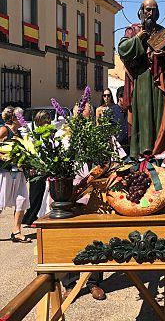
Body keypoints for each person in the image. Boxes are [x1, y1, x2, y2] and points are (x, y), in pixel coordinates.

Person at [118, 0, 165, 159]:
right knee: (144, 112)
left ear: (157, 12)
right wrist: (139, 38)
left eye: (153, 10)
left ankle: (159, 149)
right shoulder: (133, 30)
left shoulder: (161, 32)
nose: (150, 13)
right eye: (147, 9)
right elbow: (123, 49)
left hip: (159, 80)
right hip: (142, 79)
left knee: (160, 113)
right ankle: (143, 149)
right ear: (141, 11)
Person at [61, 102, 106, 301]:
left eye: (87, 110)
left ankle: (94, 282)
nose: (84, 113)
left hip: (93, 194)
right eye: (81, 110)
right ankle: (71, 284)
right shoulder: (65, 136)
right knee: (71, 238)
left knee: (95, 237)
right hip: (71, 193)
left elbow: (110, 160)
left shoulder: (98, 135)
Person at [0, 106, 31, 243]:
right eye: (20, 117)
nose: (22, 119)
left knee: (22, 200)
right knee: (0, 204)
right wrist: (3, 157)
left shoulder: (19, 133)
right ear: (13, 118)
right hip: (5, 172)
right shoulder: (4, 130)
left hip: (18, 171)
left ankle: (16, 232)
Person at [22, 110, 52, 228]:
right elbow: (29, 152)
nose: (48, 121)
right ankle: (30, 218)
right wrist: (31, 166)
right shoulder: (33, 135)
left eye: (49, 118)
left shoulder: (49, 133)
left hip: (46, 166)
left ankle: (37, 216)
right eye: (46, 119)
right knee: (35, 194)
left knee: (43, 194)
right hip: (36, 168)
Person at [111, 86, 129, 154]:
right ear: (120, 98)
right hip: (117, 151)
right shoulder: (111, 112)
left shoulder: (131, 111)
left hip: (130, 150)